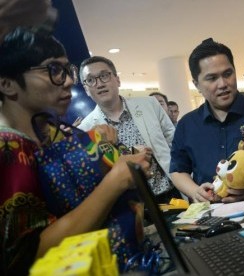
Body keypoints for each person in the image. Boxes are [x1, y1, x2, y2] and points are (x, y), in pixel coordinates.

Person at [0, 28, 150, 275]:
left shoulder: (55, 132)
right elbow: (26, 256)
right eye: (53, 70)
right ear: (7, 84)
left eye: (66, 70)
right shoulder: (9, 149)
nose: (69, 80)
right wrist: (113, 183)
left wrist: (108, 152)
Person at [169, 38, 244, 206]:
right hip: (209, 218)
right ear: (197, 84)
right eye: (211, 78)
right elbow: (178, 170)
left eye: (227, 74)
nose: (223, 84)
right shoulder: (187, 125)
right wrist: (195, 191)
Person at [78, 56, 179, 200]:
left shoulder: (149, 104)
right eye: (90, 80)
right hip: (129, 206)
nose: (99, 83)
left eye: (104, 76)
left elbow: (174, 141)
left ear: (117, 80)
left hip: (170, 193)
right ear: (86, 89)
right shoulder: (85, 130)